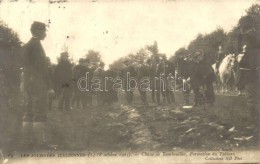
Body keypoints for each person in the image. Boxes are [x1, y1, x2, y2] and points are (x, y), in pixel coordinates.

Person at [22, 21, 53, 149]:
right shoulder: (36, 46)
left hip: (28, 82)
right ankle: (40, 143)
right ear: (37, 31)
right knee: (40, 112)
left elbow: (25, 67)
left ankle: (27, 142)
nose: (45, 33)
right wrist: (49, 86)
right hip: (38, 83)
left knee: (28, 112)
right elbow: (42, 69)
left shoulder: (27, 46)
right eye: (44, 31)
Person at [238, 15, 260, 128]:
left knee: (251, 98)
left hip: (251, 72)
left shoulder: (248, 37)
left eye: (240, 27)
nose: (240, 30)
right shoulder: (256, 35)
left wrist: (240, 60)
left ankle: (254, 123)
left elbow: (249, 55)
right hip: (255, 70)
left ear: (244, 27)